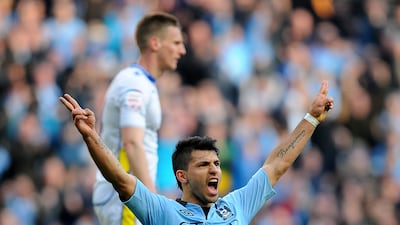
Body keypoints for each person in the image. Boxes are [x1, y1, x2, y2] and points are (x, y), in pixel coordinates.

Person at [59, 80, 334, 225]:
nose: (215, 169)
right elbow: (119, 178)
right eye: (203, 165)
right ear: (183, 176)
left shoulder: (235, 206)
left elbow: (277, 165)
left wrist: (310, 118)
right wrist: (91, 136)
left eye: (215, 163)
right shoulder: (161, 211)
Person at [92, 12, 186, 225]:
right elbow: (132, 142)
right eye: (177, 43)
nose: (182, 50)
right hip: (125, 198)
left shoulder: (143, 83)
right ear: (155, 43)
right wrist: (153, 202)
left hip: (129, 196)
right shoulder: (135, 85)